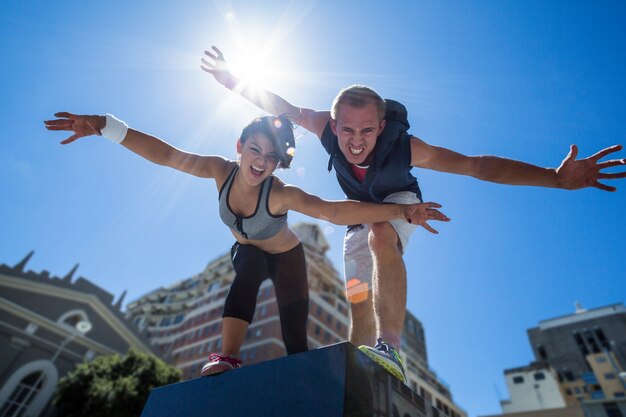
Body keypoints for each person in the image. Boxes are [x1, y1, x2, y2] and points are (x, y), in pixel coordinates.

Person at [200, 46, 626, 382]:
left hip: (403, 204)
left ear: (382, 126)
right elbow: (278, 104)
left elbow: (476, 165)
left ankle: (392, 348)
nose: (355, 142)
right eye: (346, 130)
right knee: (358, 300)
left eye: (367, 131)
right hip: (357, 215)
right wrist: (228, 79)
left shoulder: (407, 147)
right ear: (333, 123)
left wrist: (553, 177)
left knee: (382, 234)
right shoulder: (322, 126)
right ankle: (361, 373)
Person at [44, 111, 450, 377]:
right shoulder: (218, 171)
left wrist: (400, 213)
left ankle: (303, 382)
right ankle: (227, 356)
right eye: (254, 150)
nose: (261, 161)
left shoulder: (280, 193)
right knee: (248, 265)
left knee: (295, 343)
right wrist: (105, 126)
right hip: (250, 252)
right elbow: (166, 155)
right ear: (239, 148)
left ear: (278, 163)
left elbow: (331, 211)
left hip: (289, 259)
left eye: (271, 157)